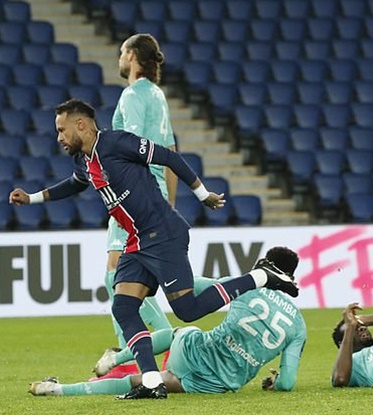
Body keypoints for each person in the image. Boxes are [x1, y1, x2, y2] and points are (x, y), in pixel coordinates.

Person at [10, 99, 299, 400]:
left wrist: (203, 195)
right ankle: (151, 382)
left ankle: (262, 276)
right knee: (123, 307)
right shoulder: (83, 161)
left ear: (80, 124)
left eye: (62, 129)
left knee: (187, 310)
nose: (59, 137)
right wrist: (32, 198)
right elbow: (74, 183)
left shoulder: (117, 143)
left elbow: (168, 157)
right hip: (137, 240)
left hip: (163, 233)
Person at [29, 246, 306, 398]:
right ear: (289, 278)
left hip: (193, 352)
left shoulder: (247, 286)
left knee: (180, 333)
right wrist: (276, 383)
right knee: (143, 381)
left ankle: (116, 358)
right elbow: (288, 382)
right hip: (216, 383)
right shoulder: (298, 326)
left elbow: (194, 285)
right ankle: (56, 390)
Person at [97, 33, 178, 379]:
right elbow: (170, 152)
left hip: (134, 194)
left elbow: (128, 148)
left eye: (121, 52)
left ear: (131, 56)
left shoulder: (131, 95)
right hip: (154, 195)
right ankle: (156, 348)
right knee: (134, 276)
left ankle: (135, 355)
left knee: (116, 273)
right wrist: (168, 205)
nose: (119, 58)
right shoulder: (157, 96)